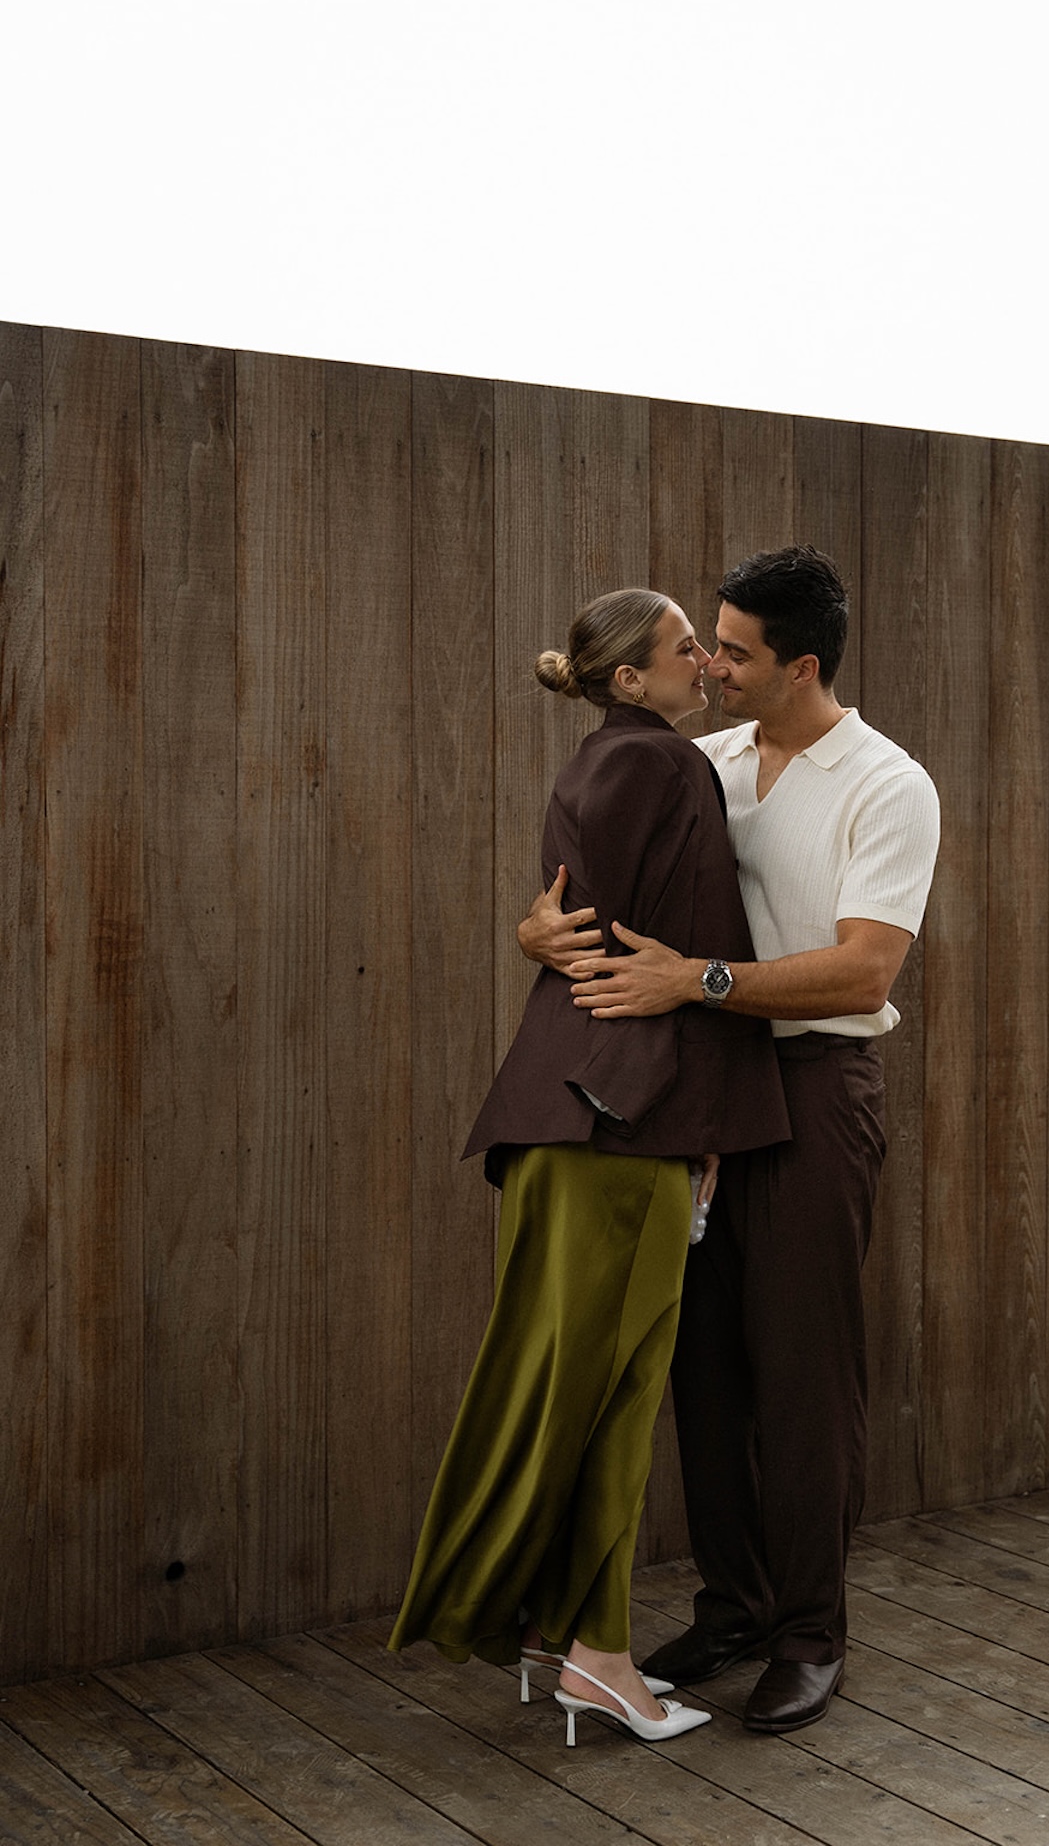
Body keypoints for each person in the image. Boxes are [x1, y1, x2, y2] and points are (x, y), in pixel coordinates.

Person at [520, 546, 940, 1736]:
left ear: (801, 666)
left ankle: (808, 1634)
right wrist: (537, 933)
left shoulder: (887, 785)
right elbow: (589, 905)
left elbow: (863, 970)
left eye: (736, 652)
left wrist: (696, 980)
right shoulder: (696, 759)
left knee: (801, 1375)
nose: (709, 664)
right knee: (699, 1370)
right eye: (704, 641)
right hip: (697, 1100)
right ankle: (735, 1609)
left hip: (813, 1091)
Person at [388, 587, 789, 1748]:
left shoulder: (601, 762)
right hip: (618, 1123)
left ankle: (549, 1628)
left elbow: (584, 931)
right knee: (611, 1396)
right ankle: (597, 1657)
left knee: (566, 1386)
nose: (704, 664)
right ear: (630, 679)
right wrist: (703, 1118)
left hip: (568, 1115)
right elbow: (673, 951)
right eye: (683, 649)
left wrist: (548, 937)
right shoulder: (665, 766)